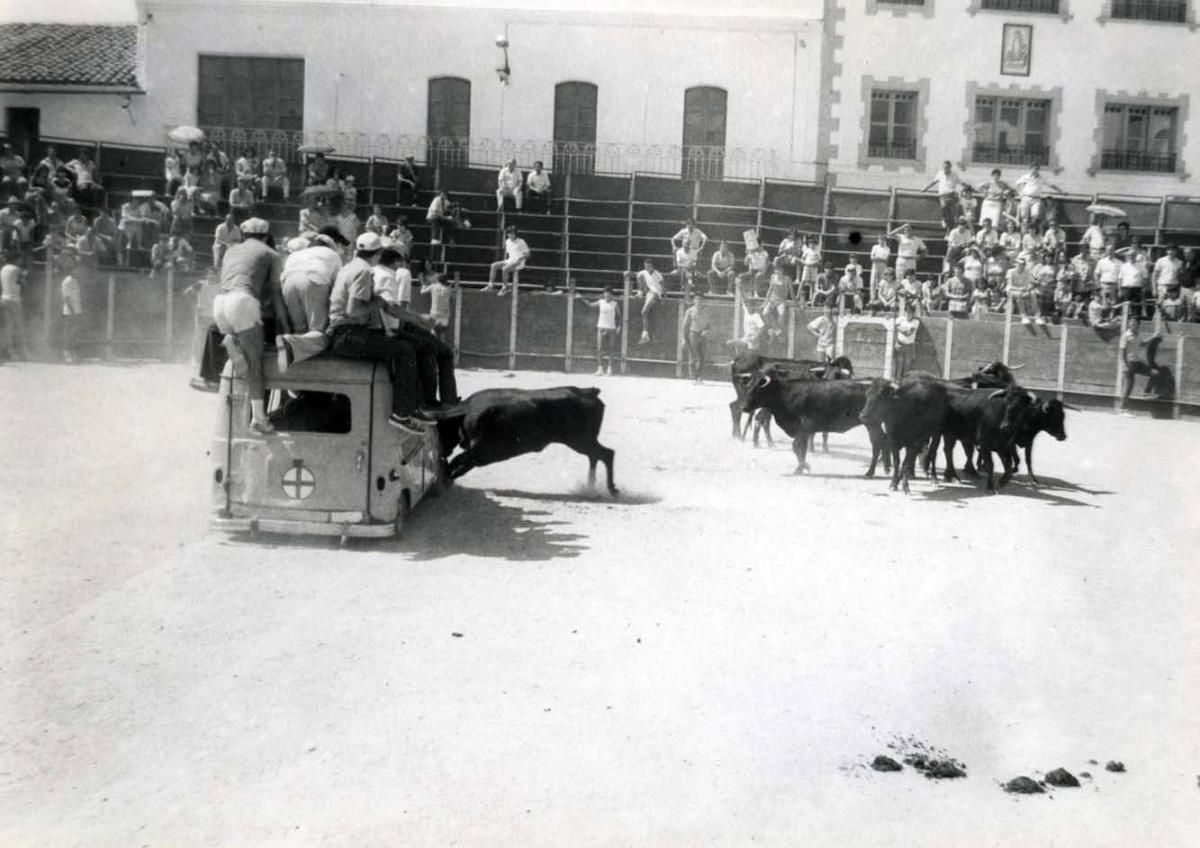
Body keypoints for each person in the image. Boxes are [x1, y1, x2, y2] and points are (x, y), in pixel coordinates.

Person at [324, 232, 449, 426]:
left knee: (404, 347)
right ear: (378, 253)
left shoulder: (349, 266)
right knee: (404, 351)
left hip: (345, 332)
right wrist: (379, 302)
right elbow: (354, 310)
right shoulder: (364, 271)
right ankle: (402, 413)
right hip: (348, 334)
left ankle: (413, 406)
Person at [210, 218, 286, 432]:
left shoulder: (231, 251)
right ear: (266, 235)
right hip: (243, 302)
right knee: (255, 365)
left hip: (221, 304)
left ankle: (231, 342)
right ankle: (259, 419)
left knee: (244, 358)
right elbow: (276, 294)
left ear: (243, 235)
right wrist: (285, 325)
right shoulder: (272, 254)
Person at [275, 232, 342, 368]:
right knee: (317, 331)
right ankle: (291, 344)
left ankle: (294, 355)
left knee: (300, 329)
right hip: (314, 279)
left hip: (288, 282)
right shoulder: (332, 255)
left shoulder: (296, 255)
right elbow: (337, 286)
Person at [577, 287, 621, 376]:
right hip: (601, 328)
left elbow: (619, 317)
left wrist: (619, 326)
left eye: (609, 293)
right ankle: (600, 369)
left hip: (611, 329)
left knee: (611, 349)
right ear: (603, 294)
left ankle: (609, 369)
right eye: (605, 293)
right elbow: (590, 305)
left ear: (612, 295)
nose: (607, 294)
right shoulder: (601, 302)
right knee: (599, 349)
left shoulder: (615, 304)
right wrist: (581, 298)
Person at [923, 160, 968, 231]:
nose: (945, 169)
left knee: (952, 213)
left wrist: (969, 187)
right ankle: (944, 219)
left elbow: (961, 182)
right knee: (943, 206)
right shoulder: (940, 174)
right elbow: (934, 182)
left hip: (952, 195)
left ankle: (950, 228)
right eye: (944, 167)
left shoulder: (954, 174)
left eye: (947, 167)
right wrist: (925, 188)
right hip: (943, 195)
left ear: (950, 167)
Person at [485, 225, 530, 295]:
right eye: (509, 233)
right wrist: (506, 262)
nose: (511, 235)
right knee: (493, 265)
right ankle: (490, 285)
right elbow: (508, 254)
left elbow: (528, 254)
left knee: (505, 269)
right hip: (510, 261)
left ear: (515, 234)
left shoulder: (521, 241)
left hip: (519, 263)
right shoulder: (507, 241)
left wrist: (520, 259)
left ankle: (505, 288)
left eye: (513, 233)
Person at [0, 254, 27, 360]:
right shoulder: (17, 269)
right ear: (16, 259)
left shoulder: (3, 269)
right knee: (20, 326)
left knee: (8, 327)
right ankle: (22, 352)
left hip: (4, 298)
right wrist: (25, 274)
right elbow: (24, 283)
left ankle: (9, 352)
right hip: (14, 300)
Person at [680, 292, 711, 382]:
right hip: (693, 334)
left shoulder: (706, 311)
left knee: (703, 357)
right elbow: (685, 325)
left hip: (703, 335)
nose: (699, 301)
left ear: (703, 301)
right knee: (693, 356)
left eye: (700, 299)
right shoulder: (690, 311)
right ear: (694, 300)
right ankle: (693, 377)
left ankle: (699, 376)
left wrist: (707, 330)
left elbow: (709, 324)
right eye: (697, 299)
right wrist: (683, 338)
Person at [635, 258, 664, 343]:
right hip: (648, 293)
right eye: (645, 266)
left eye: (649, 266)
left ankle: (645, 334)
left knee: (644, 312)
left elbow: (663, 287)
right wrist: (628, 273)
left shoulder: (658, 274)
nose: (647, 268)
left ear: (652, 266)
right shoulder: (644, 272)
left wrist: (664, 298)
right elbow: (637, 274)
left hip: (656, 294)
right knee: (645, 313)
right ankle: (645, 334)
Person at [420, 270, 453, 343]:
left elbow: (422, 292)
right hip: (445, 314)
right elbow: (451, 297)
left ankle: (433, 349)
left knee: (433, 332)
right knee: (442, 334)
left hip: (435, 313)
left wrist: (423, 284)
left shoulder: (433, 287)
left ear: (438, 279)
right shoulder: (448, 289)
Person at [60, 259, 83, 363]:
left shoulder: (76, 281)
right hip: (70, 312)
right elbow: (66, 298)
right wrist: (72, 311)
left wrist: (77, 311)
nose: (79, 271)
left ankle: (73, 353)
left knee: (74, 333)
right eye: (76, 269)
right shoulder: (67, 281)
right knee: (68, 333)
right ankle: (67, 355)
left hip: (77, 311)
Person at [1006, 254, 1039, 325]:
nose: (1021, 266)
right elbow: (1010, 286)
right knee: (1019, 294)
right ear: (1016, 264)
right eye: (1019, 264)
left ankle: (1037, 316)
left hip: (1023, 291)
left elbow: (1032, 283)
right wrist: (1021, 289)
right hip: (1011, 291)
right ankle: (1023, 316)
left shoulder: (1027, 272)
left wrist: (1030, 287)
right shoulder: (1010, 272)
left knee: (1033, 293)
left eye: (1023, 264)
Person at [977, 169, 1012, 234]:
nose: (996, 177)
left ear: (999, 176)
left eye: (997, 175)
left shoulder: (1002, 184)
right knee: (985, 221)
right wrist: (984, 191)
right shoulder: (988, 183)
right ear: (992, 176)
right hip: (987, 203)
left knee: (995, 222)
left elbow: (1010, 189)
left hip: (997, 203)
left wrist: (1006, 192)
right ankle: (983, 236)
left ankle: (993, 237)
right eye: (994, 175)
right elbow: (979, 187)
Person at [894, 301, 919, 379]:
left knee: (907, 367)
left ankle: (905, 384)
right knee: (899, 366)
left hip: (909, 346)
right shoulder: (901, 319)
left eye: (910, 312)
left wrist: (899, 328)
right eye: (906, 311)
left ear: (913, 313)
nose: (908, 313)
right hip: (900, 344)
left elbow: (908, 334)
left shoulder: (916, 322)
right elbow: (893, 327)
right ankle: (897, 382)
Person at [868, 234, 890, 300]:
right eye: (880, 239)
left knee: (882, 283)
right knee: (872, 283)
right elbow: (872, 258)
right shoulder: (875, 247)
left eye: (883, 239)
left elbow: (886, 260)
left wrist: (877, 258)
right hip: (874, 266)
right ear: (878, 240)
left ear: (885, 241)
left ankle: (881, 299)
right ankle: (872, 299)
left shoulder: (887, 248)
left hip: (883, 267)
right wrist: (879, 259)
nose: (882, 241)